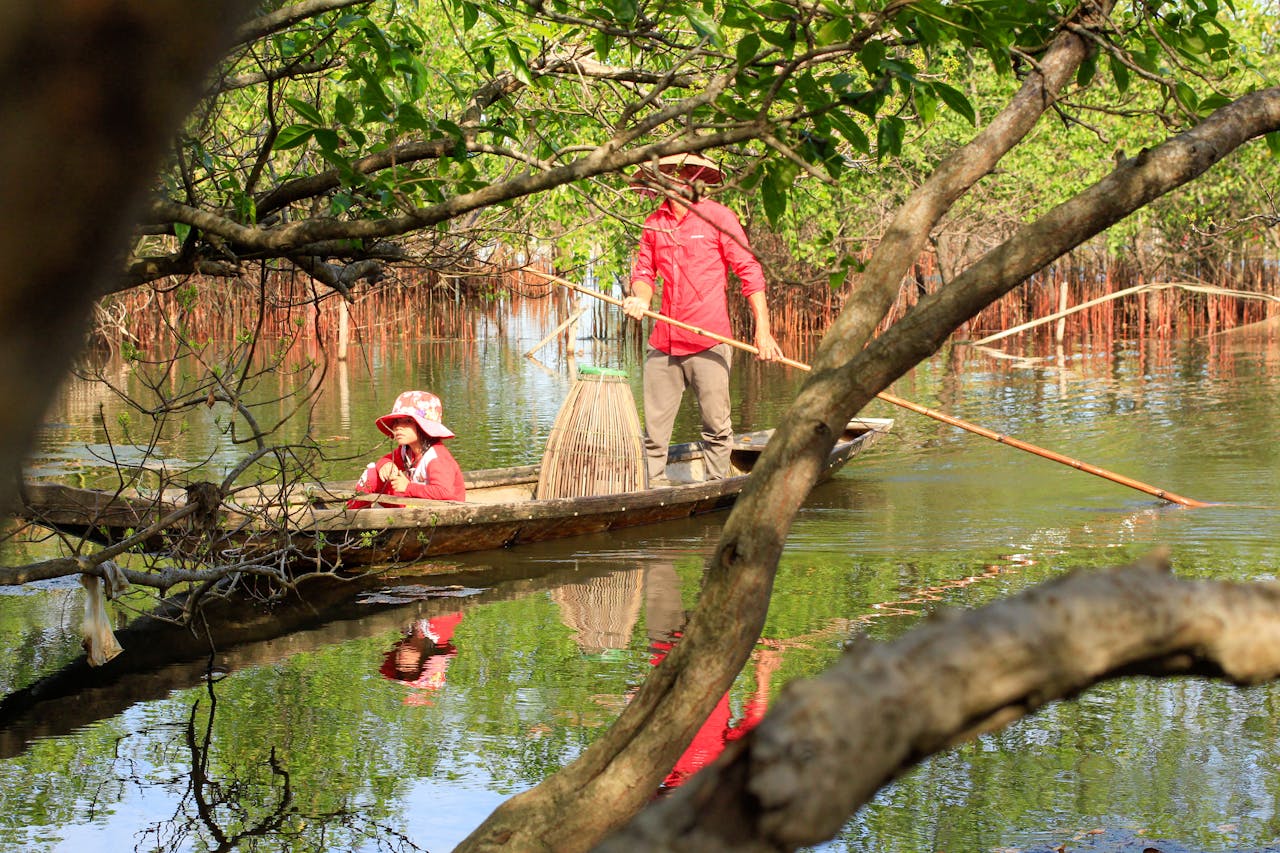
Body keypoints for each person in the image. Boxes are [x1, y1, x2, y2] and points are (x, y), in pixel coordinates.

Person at [622, 152, 783, 483]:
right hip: (664, 342)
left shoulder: (718, 218)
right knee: (653, 434)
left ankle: (716, 488)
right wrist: (639, 299)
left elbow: (749, 272)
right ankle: (653, 489)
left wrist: (763, 332)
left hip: (709, 340)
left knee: (717, 427)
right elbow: (644, 272)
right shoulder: (654, 223)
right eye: (667, 175)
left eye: (683, 175)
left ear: (696, 178)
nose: (676, 182)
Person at [348, 390, 466, 508]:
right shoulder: (407, 450)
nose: (398, 427)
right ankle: (352, 514)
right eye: (396, 422)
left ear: (423, 426)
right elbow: (385, 459)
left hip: (442, 511)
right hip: (417, 505)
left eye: (408, 421)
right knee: (373, 473)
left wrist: (408, 487)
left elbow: (445, 492)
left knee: (375, 474)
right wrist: (386, 464)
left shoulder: (436, 456)